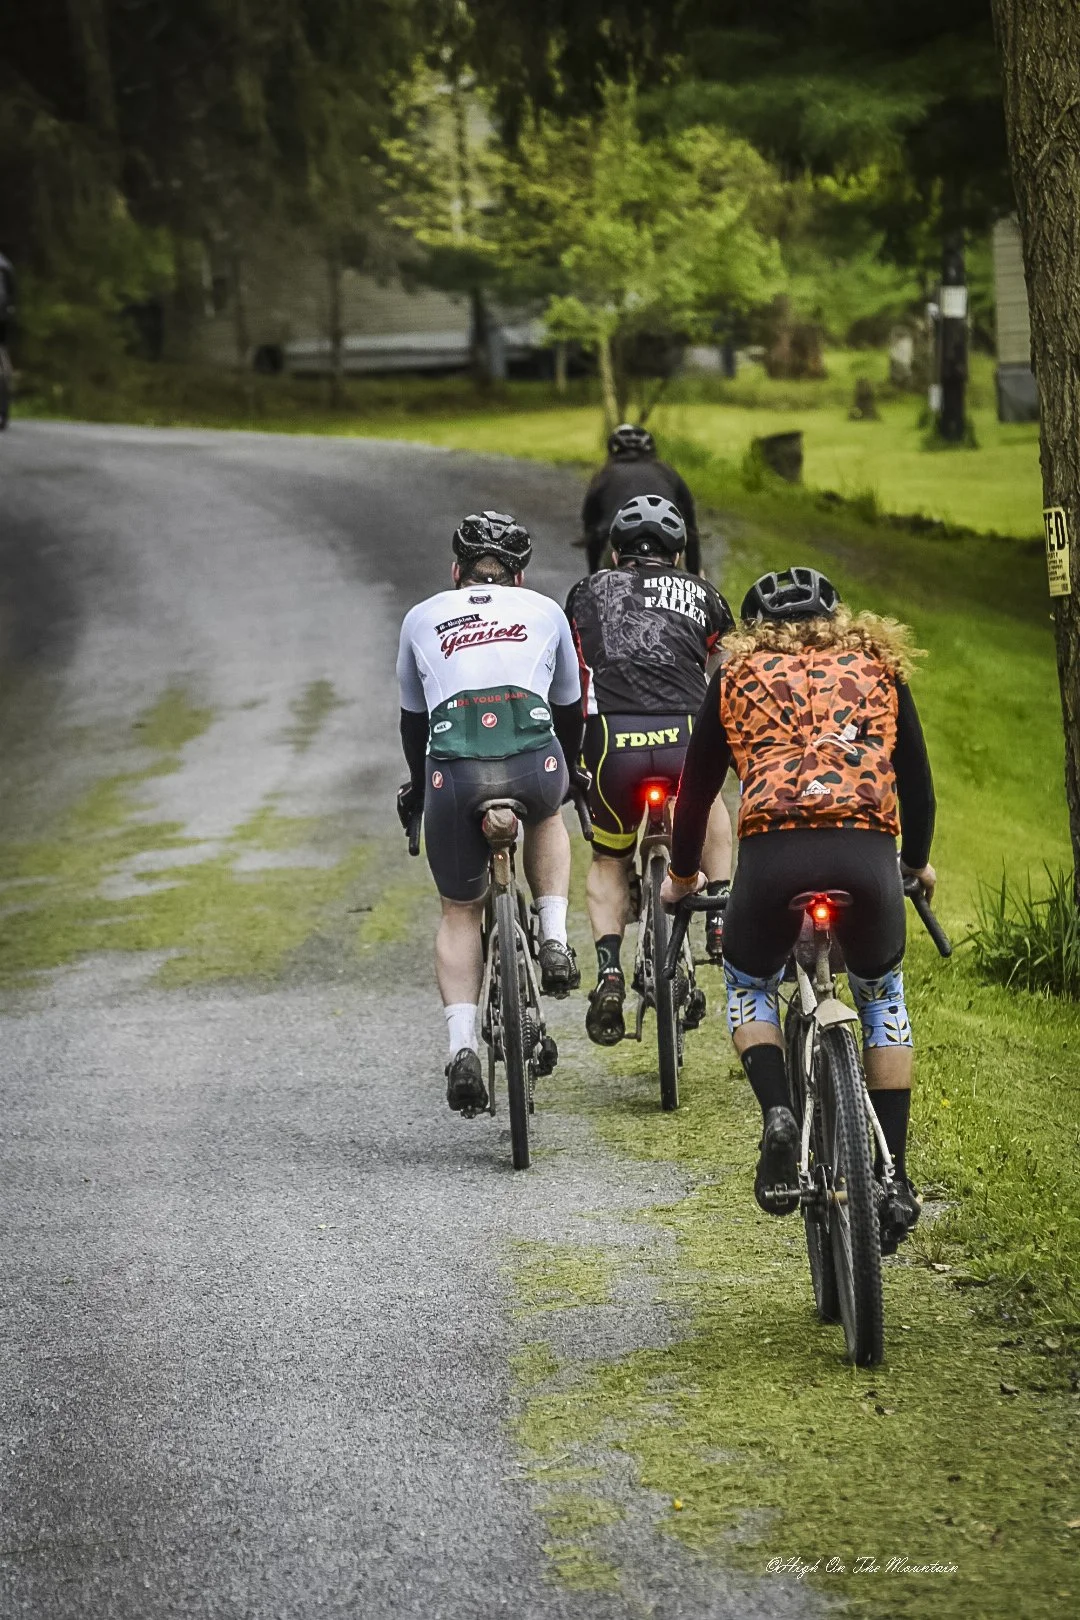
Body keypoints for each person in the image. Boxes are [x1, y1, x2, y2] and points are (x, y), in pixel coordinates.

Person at [661, 567, 936, 1254]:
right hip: (865, 856)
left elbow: (695, 799)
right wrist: (915, 863)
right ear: (838, 617)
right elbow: (918, 784)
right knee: (881, 993)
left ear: (755, 628)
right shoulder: (878, 665)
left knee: (750, 979)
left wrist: (682, 877)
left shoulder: (734, 676)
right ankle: (896, 1177)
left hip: (772, 860)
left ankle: (780, 1112)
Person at [396, 511, 586, 1114]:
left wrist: (416, 788)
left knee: (459, 909)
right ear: (520, 577)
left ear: (456, 570)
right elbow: (571, 711)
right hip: (534, 761)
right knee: (549, 815)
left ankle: (461, 1051)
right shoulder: (546, 611)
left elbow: (413, 722)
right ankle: (554, 937)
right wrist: (570, 773)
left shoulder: (421, 617)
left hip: (453, 770)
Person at [565, 494, 736, 1046]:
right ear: (679, 552)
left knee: (610, 856)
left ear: (615, 553)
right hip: (685, 737)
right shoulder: (705, 594)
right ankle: (719, 917)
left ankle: (610, 971)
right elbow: (729, 666)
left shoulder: (588, 593)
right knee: (707, 802)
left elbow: (569, 672)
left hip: (614, 740)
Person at [581, 423, 701, 575]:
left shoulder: (604, 475)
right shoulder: (667, 472)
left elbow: (591, 531)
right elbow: (691, 529)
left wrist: (592, 575)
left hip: (620, 548)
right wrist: (695, 575)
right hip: (667, 546)